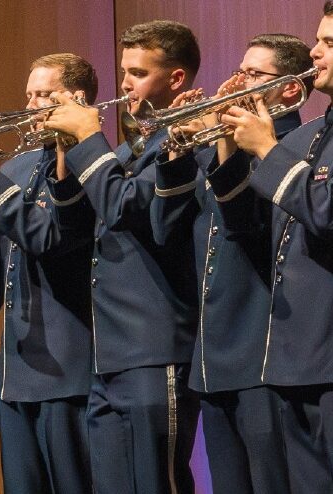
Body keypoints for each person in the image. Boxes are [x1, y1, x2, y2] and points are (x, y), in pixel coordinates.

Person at [208, 1, 333, 491]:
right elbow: (249, 230)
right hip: (290, 355)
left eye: (329, 42)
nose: (314, 52)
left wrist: (266, 150)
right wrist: (227, 145)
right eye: (317, 40)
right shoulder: (307, 135)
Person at [150, 33, 316, 492]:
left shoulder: (296, 150)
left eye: (255, 74)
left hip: (266, 353)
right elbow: (165, 230)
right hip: (213, 355)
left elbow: (252, 230)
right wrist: (179, 151)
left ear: (289, 88)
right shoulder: (215, 149)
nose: (239, 81)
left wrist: (228, 145)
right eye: (241, 70)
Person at [44, 20, 201, 494]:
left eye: (138, 72)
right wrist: (66, 150)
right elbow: (74, 228)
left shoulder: (181, 141)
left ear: (175, 79)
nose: (125, 84)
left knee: (158, 482)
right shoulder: (131, 149)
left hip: (156, 350)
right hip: (110, 353)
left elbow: (122, 208)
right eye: (124, 71)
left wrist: (89, 137)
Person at [0, 53, 97, 493]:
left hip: (68, 363)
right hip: (17, 368)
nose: (29, 106)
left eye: (43, 95)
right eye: (28, 95)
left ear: (75, 98)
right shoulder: (20, 166)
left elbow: (50, 239)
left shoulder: (89, 161)